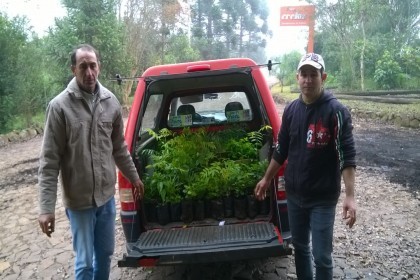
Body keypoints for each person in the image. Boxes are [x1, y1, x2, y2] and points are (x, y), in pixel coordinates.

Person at [38, 43, 144, 280]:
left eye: (93, 66)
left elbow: (119, 148)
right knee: (84, 263)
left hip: (106, 199)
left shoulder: (111, 102)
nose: (89, 73)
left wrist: (134, 177)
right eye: (83, 66)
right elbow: (49, 162)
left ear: (99, 67)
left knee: (105, 255)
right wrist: (46, 208)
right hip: (79, 203)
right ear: (73, 69)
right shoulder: (59, 107)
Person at [254, 53, 356, 279]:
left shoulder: (336, 111)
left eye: (314, 75)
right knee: (299, 248)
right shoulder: (291, 110)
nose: (308, 80)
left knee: (321, 256)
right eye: (304, 75)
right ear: (297, 77)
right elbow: (281, 150)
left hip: (322, 198)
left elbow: (346, 155)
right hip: (295, 195)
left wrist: (350, 196)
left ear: (323, 77)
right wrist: (267, 178)